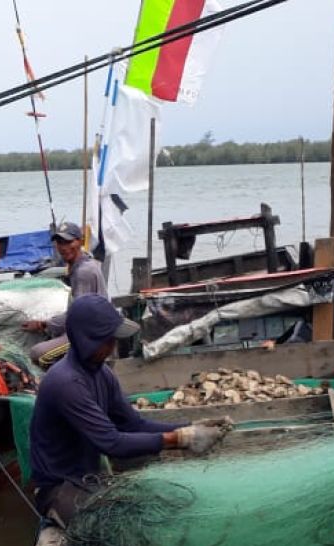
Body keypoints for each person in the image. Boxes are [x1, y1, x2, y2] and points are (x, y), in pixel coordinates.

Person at [28, 294, 231, 527]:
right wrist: (180, 439)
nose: (114, 345)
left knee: (166, 506)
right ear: (87, 340)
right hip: (59, 488)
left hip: (90, 480)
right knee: (122, 527)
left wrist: (191, 427)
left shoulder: (102, 374)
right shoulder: (66, 383)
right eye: (108, 339)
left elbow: (135, 425)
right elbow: (112, 444)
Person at [22, 221, 109, 366]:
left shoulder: (83, 273)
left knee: (37, 353)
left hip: (88, 334)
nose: (64, 247)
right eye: (60, 242)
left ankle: (64, 382)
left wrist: (43, 324)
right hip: (82, 328)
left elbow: (77, 316)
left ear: (80, 241)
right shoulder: (82, 264)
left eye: (69, 242)